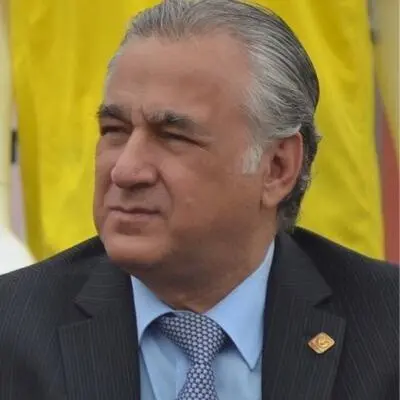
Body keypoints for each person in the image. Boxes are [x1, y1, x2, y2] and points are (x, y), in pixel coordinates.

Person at [0, 1, 398, 399]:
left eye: (173, 137)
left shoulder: (386, 332)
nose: (125, 170)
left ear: (277, 167)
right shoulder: (13, 332)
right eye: (114, 130)